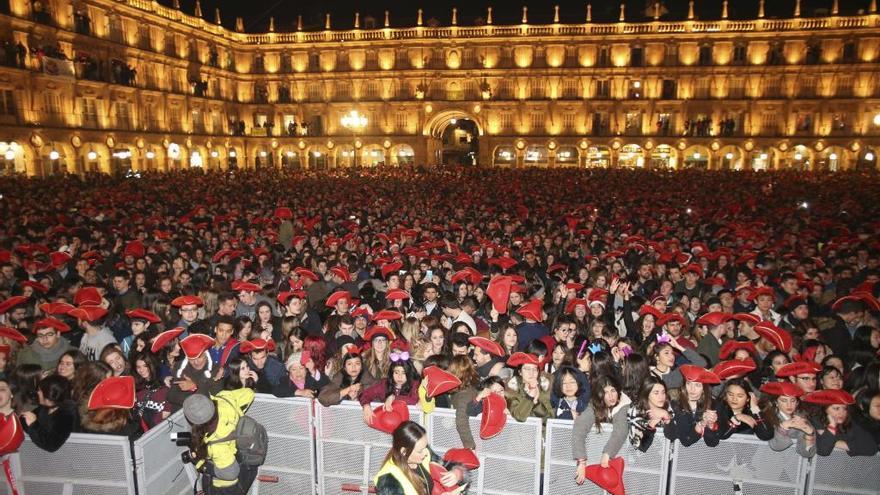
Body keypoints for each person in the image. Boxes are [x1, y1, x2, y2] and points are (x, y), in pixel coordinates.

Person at [182, 387, 258, 495]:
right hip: (246, 463)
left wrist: (201, 465)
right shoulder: (224, 399)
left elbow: (231, 473)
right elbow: (249, 393)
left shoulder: (216, 445)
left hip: (226, 486)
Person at [374, 421, 467, 495]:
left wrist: (458, 473)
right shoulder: (388, 480)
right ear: (404, 452)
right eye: (419, 451)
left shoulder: (425, 452)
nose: (425, 453)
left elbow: (448, 466)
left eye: (425, 446)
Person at [572, 374, 631, 485]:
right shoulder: (592, 405)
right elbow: (579, 430)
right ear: (600, 395)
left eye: (613, 391)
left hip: (620, 461)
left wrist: (607, 454)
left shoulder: (625, 405)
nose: (610, 396)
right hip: (592, 458)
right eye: (606, 392)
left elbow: (621, 430)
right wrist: (581, 461)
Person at [20, 374, 78, 452]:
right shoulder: (44, 408)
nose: (37, 393)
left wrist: (34, 425)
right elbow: (23, 422)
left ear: (48, 393)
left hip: (68, 457)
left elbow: (52, 445)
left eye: (40, 390)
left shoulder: (67, 414)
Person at [759, 381, 816, 458]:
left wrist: (810, 434)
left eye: (792, 400)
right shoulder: (766, 417)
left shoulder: (802, 420)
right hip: (765, 459)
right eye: (784, 400)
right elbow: (776, 446)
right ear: (776, 402)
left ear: (797, 403)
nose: (789, 405)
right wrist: (783, 427)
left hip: (791, 463)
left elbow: (808, 454)